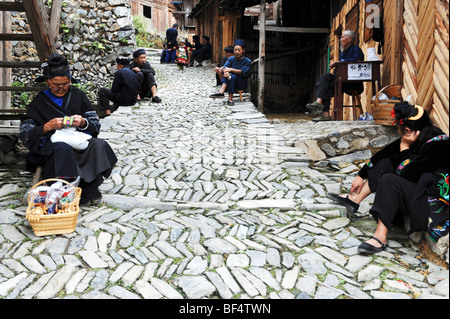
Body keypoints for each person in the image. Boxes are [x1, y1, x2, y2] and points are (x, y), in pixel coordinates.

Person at [328, 102, 449, 254]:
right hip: (418, 193)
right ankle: (355, 199)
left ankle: (380, 237)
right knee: (386, 162)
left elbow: (407, 174)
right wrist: (361, 175)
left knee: (389, 180)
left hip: (431, 201)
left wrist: (405, 148)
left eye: (398, 129)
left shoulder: (436, 145)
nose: (398, 133)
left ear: (407, 130)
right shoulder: (420, 133)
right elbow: (386, 153)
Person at [19, 53, 118, 205]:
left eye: (65, 84)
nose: (61, 88)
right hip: (53, 145)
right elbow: (26, 133)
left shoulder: (78, 95)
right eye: (56, 84)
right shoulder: (39, 101)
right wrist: (48, 126)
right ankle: (64, 190)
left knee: (100, 145)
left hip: (78, 141)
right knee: (61, 148)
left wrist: (83, 122)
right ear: (47, 82)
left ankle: (88, 188)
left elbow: (95, 123)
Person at [306, 30, 364, 122]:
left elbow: (356, 60)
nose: (340, 39)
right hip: (341, 78)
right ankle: (319, 101)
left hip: (352, 81)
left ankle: (325, 114)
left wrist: (339, 62)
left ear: (349, 39)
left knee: (325, 87)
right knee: (324, 77)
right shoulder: (343, 52)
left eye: (342, 37)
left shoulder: (356, 50)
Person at [209, 39, 252, 106]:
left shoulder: (247, 61)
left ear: (243, 51)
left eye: (239, 50)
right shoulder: (231, 59)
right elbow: (225, 67)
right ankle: (229, 99)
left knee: (232, 76)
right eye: (235, 50)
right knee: (230, 76)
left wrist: (231, 70)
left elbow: (242, 71)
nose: (237, 52)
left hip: (241, 83)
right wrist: (226, 71)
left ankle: (222, 92)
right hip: (230, 81)